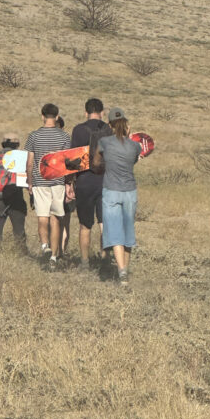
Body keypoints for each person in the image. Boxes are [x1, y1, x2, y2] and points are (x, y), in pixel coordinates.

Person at [92, 107, 142, 285]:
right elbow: (134, 160)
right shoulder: (135, 145)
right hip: (130, 191)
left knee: (114, 232)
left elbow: (95, 163)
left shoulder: (104, 142)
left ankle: (121, 272)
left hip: (111, 190)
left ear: (110, 124)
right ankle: (125, 272)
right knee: (128, 231)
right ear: (126, 125)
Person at [25, 103, 70, 268]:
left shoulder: (33, 136)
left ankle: (44, 246)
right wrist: (69, 183)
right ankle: (53, 256)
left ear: (42, 116)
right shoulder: (65, 137)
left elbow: (29, 163)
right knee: (56, 219)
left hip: (39, 182)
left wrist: (29, 182)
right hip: (58, 182)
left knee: (42, 217)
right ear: (57, 117)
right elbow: (68, 163)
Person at [70, 98, 112, 270]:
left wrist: (70, 183)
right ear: (102, 113)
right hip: (106, 181)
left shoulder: (78, 130)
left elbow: (72, 161)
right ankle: (105, 258)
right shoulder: (108, 130)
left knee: (85, 225)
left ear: (85, 112)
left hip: (84, 182)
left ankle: (85, 262)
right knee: (104, 223)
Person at [0, 133, 27, 253]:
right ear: (17, 144)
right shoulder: (21, 158)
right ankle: (21, 254)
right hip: (15, 199)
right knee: (19, 230)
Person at [56, 116, 75, 257]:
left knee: (53, 220)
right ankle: (62, 251)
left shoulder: (44, 142)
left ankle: (54, 251)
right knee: (64, 222)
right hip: (66, 185)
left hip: (50, 187)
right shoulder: (68, 142)